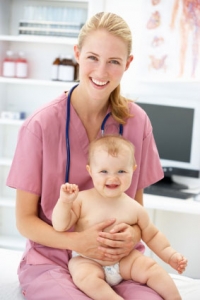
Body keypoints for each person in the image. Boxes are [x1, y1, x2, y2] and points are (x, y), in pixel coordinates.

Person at [6, 12, 166, 300]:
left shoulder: (137, 122)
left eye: (114, 61)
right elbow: (25, 221)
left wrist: (131, 235)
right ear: (77, 54)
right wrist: (79, 241)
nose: (101, 72)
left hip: (118, 259)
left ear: (127, 64)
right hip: (51, 261)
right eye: (93, 57)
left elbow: (135, 209)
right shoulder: (41, 125)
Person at [52, 135, 187, 300]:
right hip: (88, 260)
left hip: (125, 261)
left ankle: (175, 298)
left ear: (133, 170)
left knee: (152, 268)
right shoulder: (81, 200)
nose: (113, 177)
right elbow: (60, 225)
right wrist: (64, 203)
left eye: (121, 171)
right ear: (90, 171)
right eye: (104, 171)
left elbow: (152, 235)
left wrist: (170, 256)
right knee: (84, 277)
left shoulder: (134, 207)